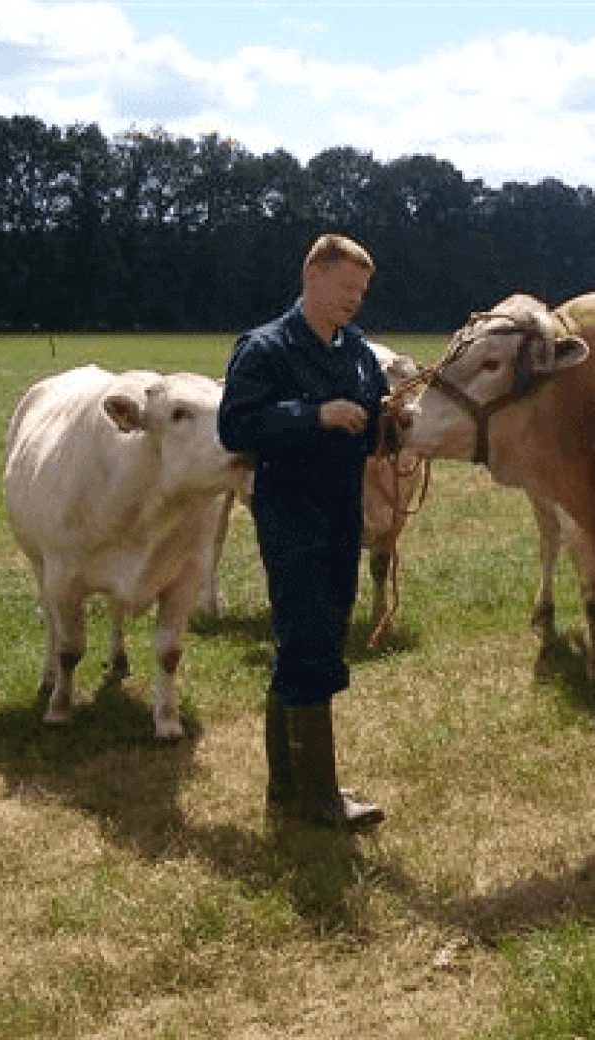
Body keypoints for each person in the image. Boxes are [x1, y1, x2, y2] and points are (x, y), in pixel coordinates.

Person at [217, 234, 390, 830]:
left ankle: (285, 785)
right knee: (307, 635)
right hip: (291, 512)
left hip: (344, 511)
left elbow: (376, 419)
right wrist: (314, 414)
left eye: (361, 293)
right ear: (312, 274)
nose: (353, 301)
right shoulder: (264, 348)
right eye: (345, 287)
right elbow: (235, 425)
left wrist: (392, 425)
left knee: (315, 636)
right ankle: (320, 795)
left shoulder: (359, 351)